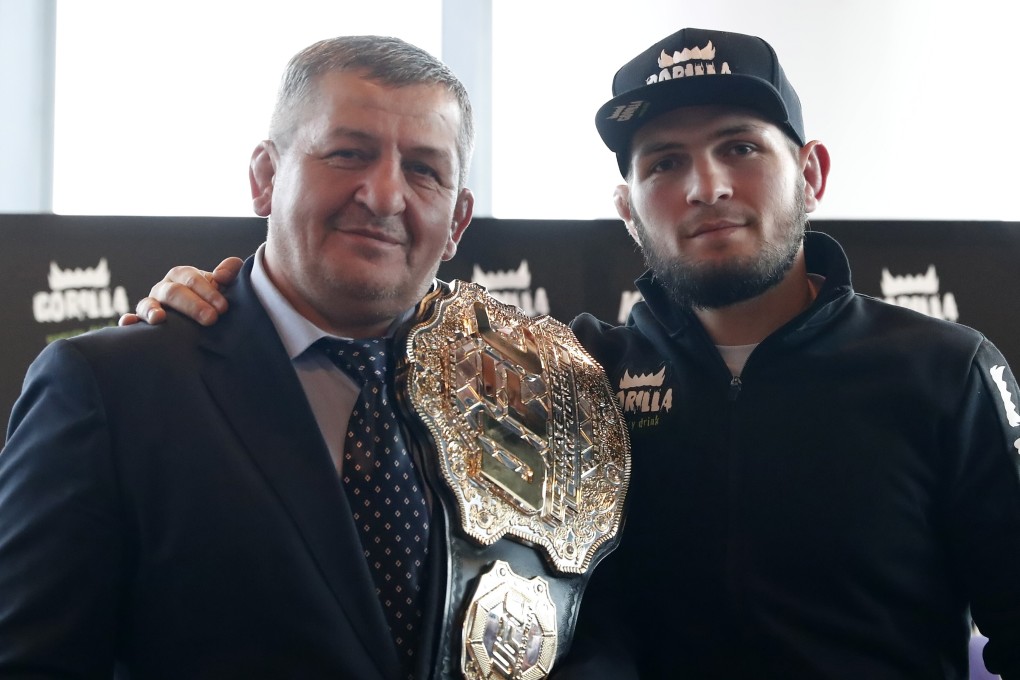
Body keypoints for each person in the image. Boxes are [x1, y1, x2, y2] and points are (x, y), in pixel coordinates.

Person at [119, 27, 1020, 679]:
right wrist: (227, 303)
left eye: (740, 148)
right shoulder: (563, 376)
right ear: (629, 209)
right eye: (663, 162)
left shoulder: (943, 371)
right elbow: (371, 293)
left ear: (811, 172)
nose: (705, 185)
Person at [0, 35, 478, 679]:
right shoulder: (110, 389)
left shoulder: (521, 394)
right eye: (348, 153)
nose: (385, 195)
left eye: (424, 169)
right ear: (265, 177)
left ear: (457, 222)